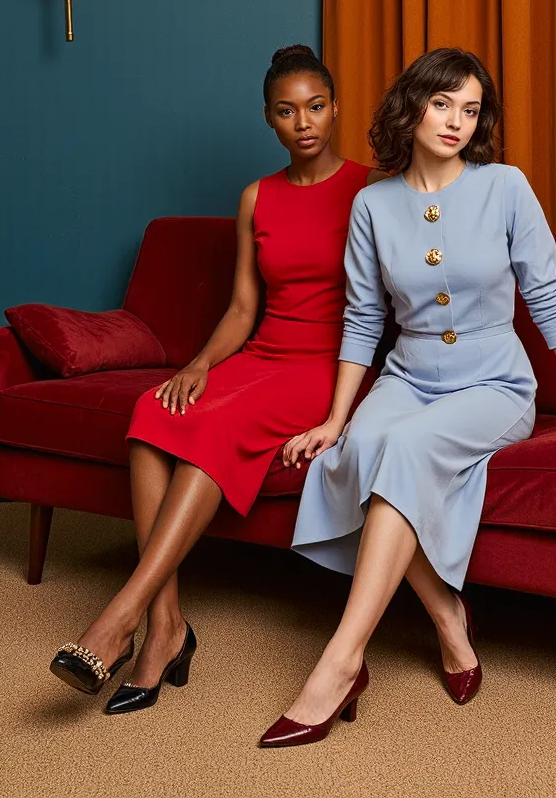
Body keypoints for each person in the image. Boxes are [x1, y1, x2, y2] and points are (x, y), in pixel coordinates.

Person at [259, 47, 556, 747]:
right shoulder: (373, 204)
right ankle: (449, 617)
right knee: (362, 447)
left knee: (407, 449)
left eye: (472, 109)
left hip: (494, 383)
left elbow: (547, 298)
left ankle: (339, 663)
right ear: (413, 106)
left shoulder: (505, 187)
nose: (457, 121)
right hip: (406, 377)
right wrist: (337, 418)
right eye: (444, 103)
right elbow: (363, 317)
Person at [50, 45, 374, 714]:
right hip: (259, 356)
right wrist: (198, 365)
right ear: (269, 120)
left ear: (336, 108)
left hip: (325, 369)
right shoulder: (258, 196)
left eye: (316, 107)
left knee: (212, 430)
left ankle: (119, 618)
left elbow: (383, 305)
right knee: (151, 417)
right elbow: (242, 309)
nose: (304, 122)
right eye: (287, 112)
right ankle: (165, 627)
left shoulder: (371, 190)